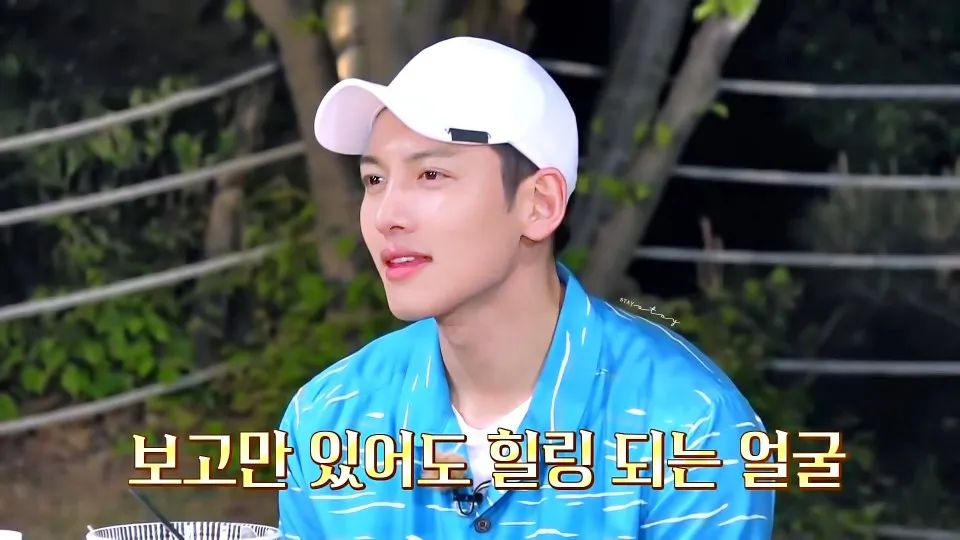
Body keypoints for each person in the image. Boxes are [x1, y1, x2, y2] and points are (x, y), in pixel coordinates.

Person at [277, 36, 775, 539]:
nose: (387, 216)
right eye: (374, 181)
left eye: (430, 174)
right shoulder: (327, 419)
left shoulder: (691, 428)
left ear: (540, 204)